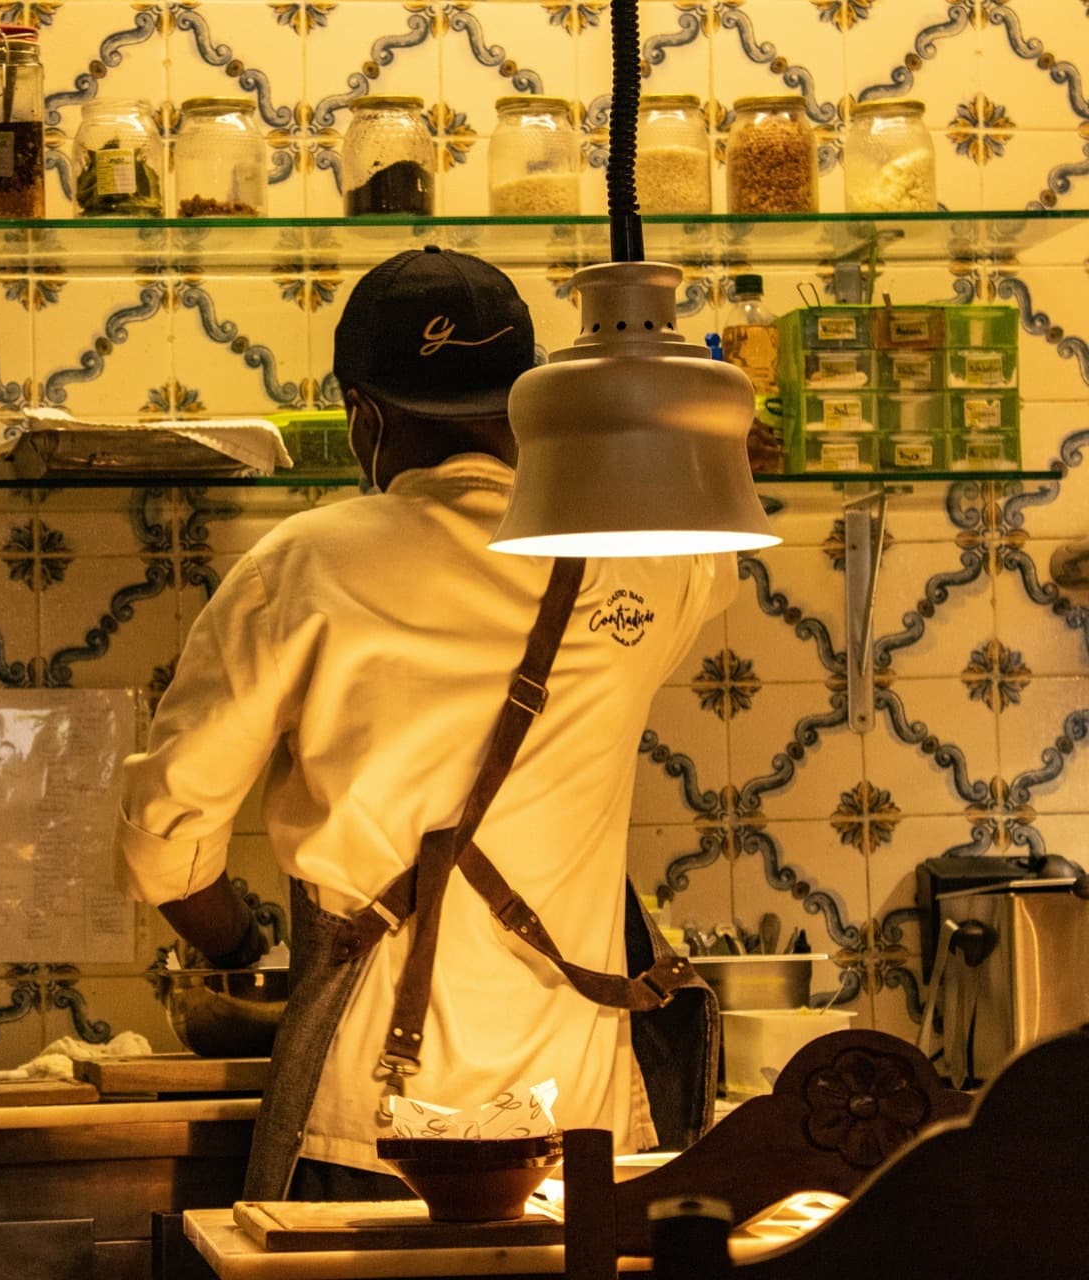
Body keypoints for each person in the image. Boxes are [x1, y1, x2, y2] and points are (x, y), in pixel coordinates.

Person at [113, 246, 738, 1201]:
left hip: (368, 1124)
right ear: (530, 400)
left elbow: (166, 839)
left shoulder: (304, 566)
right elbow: (714, 539)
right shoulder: (651, 561)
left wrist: (242, 952)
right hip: (585, 1126)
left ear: (364, 416)